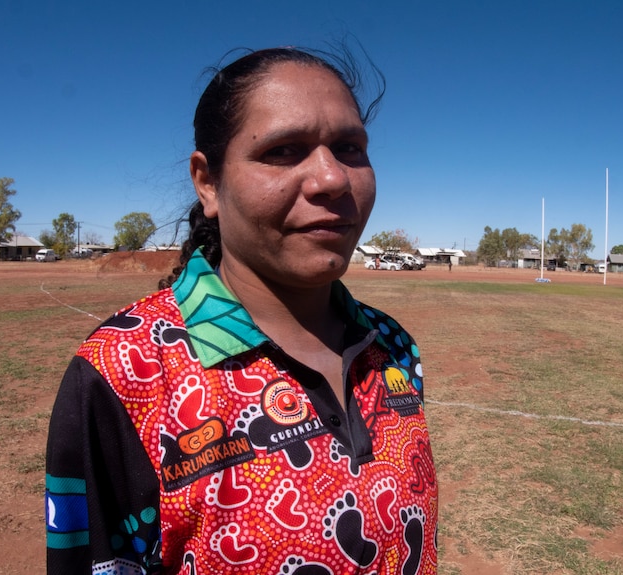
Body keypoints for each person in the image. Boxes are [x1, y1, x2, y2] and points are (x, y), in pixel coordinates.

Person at [45, 47, 438, 575]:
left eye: (349, 148)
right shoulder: (123, 373)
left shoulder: (390, 344)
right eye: (283, 150)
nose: (332, 179)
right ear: (208, 182)